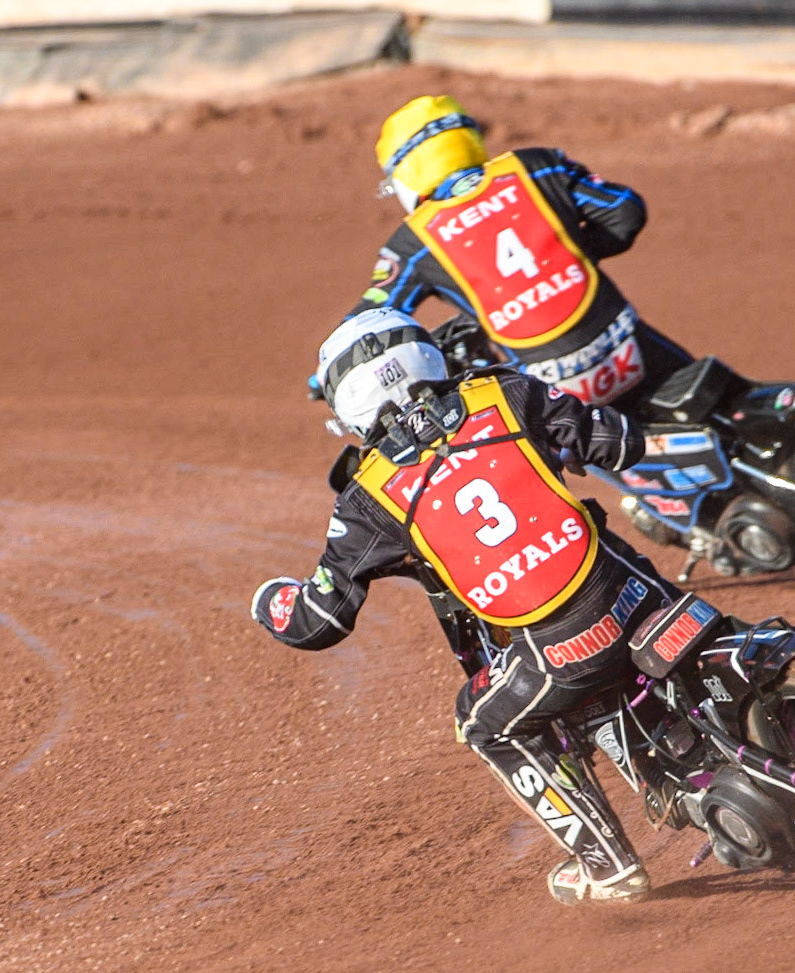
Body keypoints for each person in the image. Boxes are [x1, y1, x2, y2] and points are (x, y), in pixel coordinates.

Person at [253, 307, 683, 904]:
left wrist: (268, 603)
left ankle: (606, 864)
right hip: (635, 591)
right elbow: (621, 442)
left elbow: (318, 622)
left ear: (347, 406)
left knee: (484, 723)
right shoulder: (503, 391)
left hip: (560, 647)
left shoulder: (369, 496)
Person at [343, 94, 693, 412]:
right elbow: (625, 211)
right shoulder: (537, 166)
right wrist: (569, 256)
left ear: (405, 172)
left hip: (552, 390)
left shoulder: (412, 243)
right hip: (627, 341)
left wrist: (332, 371)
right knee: (707, 393)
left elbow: (371, 319)